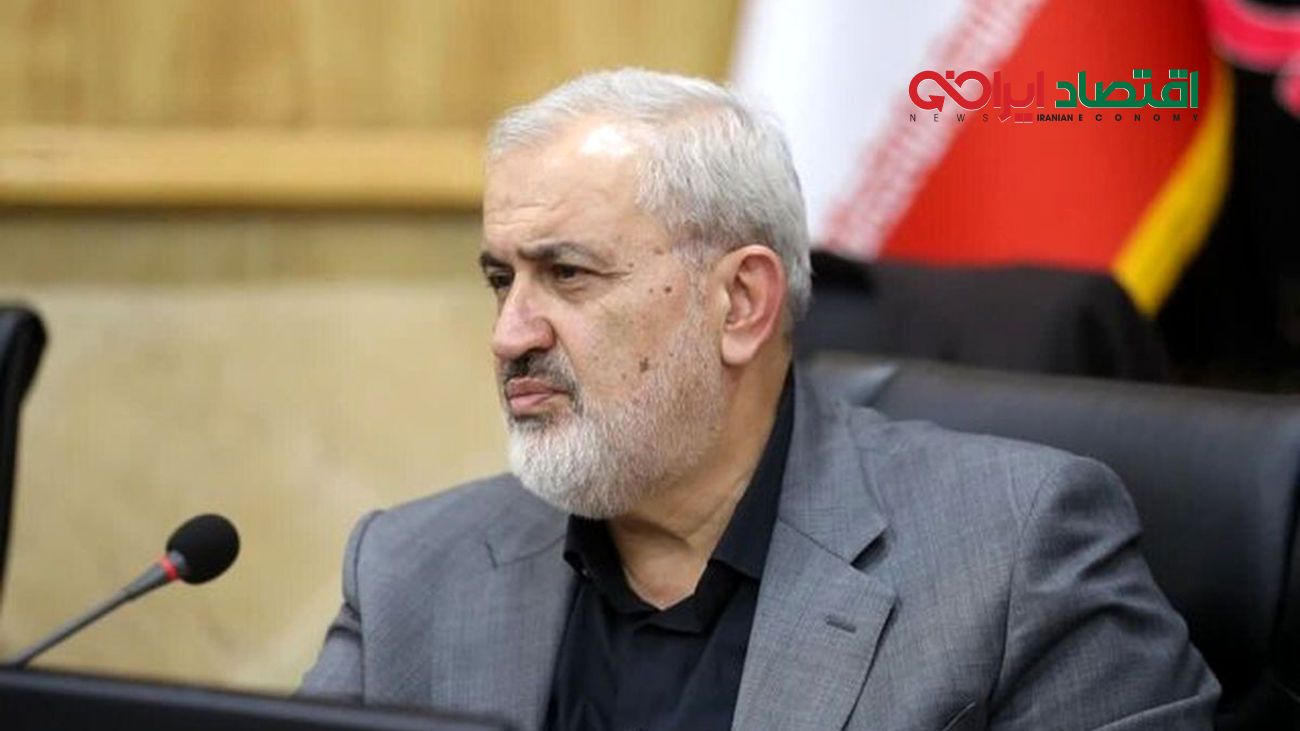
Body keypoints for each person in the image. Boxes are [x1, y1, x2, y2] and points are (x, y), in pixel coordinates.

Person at [301, 68, 1218, 730]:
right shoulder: (410, 571)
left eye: (568, 274)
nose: (510, 333)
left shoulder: (1015, 552)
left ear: (740, 302)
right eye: (503, 280)